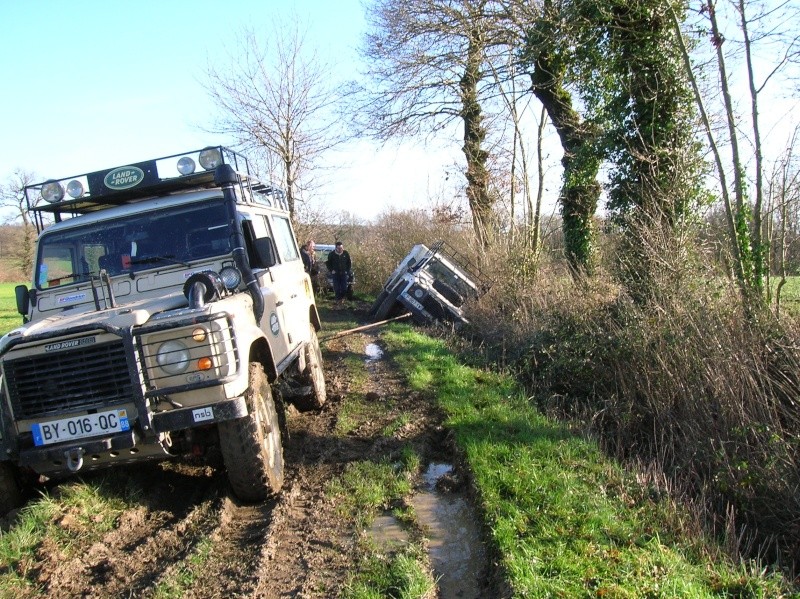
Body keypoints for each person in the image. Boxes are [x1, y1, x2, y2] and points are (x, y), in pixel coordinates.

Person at [326, 241, 352, 305]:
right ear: (336, 248)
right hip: (335, 273)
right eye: (339, 248)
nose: (340, 249)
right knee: (337, 288)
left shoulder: (345, 253)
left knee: (344, 288)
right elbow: (328, 263)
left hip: (344, 273)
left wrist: (347, 270)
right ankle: (338, 299)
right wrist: (331, 270)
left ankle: (342, 298)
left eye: (341, 248)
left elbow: (349, 262)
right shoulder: (332, 254)